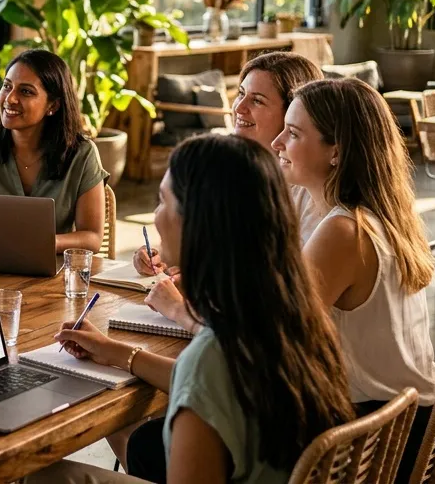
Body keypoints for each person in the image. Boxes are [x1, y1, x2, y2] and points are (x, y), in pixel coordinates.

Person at [31, 135, 355, 483]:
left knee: (44, 476)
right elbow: (214, 385)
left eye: (162, 202)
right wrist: (116, 353)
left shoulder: (211, 358)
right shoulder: (293, 319)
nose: (154, 218)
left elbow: (205, 378)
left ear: (197, 223)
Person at [273, 78, 435, 484]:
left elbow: (273, 337)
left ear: (337, 151)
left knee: (157, 439)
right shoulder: (379, 215)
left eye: (293, 133)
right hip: (403, 423)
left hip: (367, 446)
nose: (277, 142)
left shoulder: (344, 232)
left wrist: (182, 312)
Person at [134, 51, 324, 277]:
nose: (239, 108)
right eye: (241, 94)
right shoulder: (232, 172)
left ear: (293, 111)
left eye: (257, 100)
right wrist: (158, 257)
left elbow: (290, 287)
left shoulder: (311, 193)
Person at [0, 49, 106, 250]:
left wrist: (44, 242)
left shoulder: (82, 154)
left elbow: (92, 237)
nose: (10, 99)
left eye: (26, 91)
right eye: (7, 86)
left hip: (50, 275)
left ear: (53, 105)